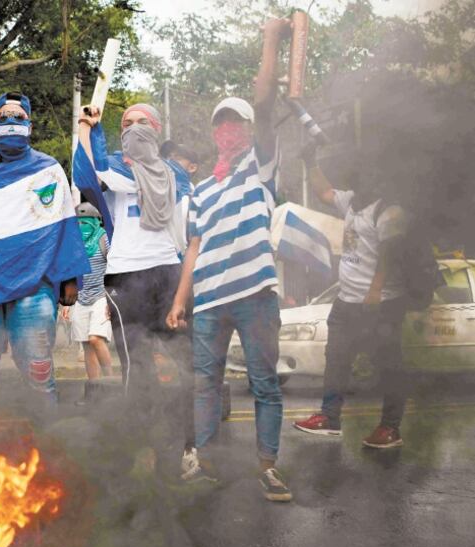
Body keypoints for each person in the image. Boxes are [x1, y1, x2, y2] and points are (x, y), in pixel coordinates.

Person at [166, 18, 293, 502]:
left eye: (236, 121)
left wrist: (269, 42)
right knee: (205, 385)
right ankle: (201, 463)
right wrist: (181, 301)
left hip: (256, 296)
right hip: (210, 300)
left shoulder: (260, 168)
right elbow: (193, 247)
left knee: (264, 384)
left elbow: (263, 100)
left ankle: (268, 467)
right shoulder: (202, 189)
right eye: (221, 122)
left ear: (249, 129)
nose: (228, 129)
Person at [0, 30, 89, 451]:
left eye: (18, 116)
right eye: (3, 116)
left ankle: (48, 457)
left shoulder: (48, 169)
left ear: (29, 124)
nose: (11, 120)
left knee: (39, 374)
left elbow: (63, 225)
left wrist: (67, 283)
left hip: (32, 290)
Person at [75, 103, 194, 450]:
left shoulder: (174, 172)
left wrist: (103, 145)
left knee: (184, 361)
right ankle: (140, 441)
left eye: (143, 123)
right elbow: (87, 174)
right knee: (135, 365)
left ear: (156, 130)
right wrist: (89, 130)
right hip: (126, 277)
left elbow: (186, 210)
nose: (135, 128)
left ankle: (188, 445)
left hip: (169, 273)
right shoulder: (112, 167)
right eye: (127, 124)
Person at [292, 145, 410, 448]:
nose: (351, 182)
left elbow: (390, 254)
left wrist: (374, 291)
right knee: (336, 360)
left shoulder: (388, 211)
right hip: (346, 300)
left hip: (379, 304)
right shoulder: (352, 203)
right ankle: (329, 418)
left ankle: (390, 427)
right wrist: (310, 162)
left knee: (387, 365)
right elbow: (325, 192)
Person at [60, 202, 113, 403]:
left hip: (101, 296)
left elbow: (114, 265)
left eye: (87, 221)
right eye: (78, 221)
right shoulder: (73, 243)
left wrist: (112, 298)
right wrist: (65, 304)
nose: (82, 225)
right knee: (86, 346)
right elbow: (68, 271)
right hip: (80, 299)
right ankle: (94, 392)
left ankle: (111, 386)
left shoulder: (103, 238)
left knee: (95, 339)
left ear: (96, 221)